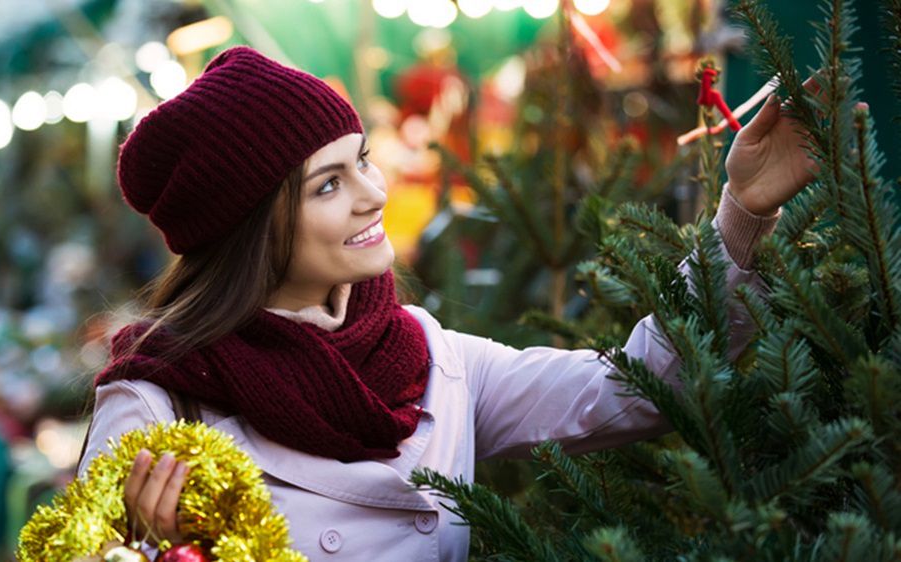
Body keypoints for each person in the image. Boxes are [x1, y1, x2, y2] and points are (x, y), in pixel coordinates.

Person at [78, 45, 813, 561]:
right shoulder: (161, 406)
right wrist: (153, 549)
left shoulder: (431, 359)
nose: (373, 194)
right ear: (249, 230)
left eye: (360, 159)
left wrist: (740, 214)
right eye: (328, 184)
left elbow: (636, 387)